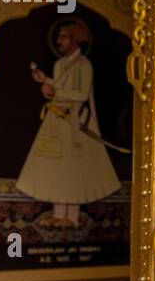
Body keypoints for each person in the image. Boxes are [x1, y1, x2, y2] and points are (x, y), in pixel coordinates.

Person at [15, 17, 121, 227]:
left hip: (75, 122)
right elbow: (58, 87)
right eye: (59, 37)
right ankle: (58, 214)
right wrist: (45, 80)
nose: (59, 41)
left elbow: (81, 94)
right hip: (57, 119)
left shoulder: (84, 65)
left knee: (73, 169)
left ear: (76, 39)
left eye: (63, 36)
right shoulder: (59, 64)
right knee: (57, 168)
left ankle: (71, 217)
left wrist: (56, 90)